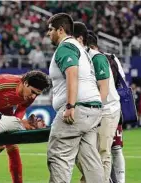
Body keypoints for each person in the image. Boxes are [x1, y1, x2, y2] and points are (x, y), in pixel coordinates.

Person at [46, 13, 104, 183]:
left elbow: (72, 73)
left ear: (61, 30)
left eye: (50, 30)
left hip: (76, 109)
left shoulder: (65, 47)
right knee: (90, 161)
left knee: (58, 156)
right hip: (92, 110)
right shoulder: (81, 49)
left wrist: (70, 106)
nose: (48, 33)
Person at [0, 71, 51, 183]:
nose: (33, 96)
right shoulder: (4, 82)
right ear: (25, 83)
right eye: (33, 92)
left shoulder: (31, 94)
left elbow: (21, 108)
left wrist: (15, 123)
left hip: (5, 111)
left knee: (12, 145)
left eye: (37, 94)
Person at [73, 22, 121, 183]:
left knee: (103, 151)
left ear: (80, 39)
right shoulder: (79, 57)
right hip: (91, 110)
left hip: (106, 110)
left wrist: (92, 112)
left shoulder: (96, 57)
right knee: (81, 154)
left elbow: (104, 91)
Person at [87, 31, 126, 183]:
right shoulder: (110, 58)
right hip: (109, 107)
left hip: (110, 107)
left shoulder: (108, 58)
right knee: (111, 149)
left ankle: (118, 181)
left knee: (114, 148)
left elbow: (120, 82)